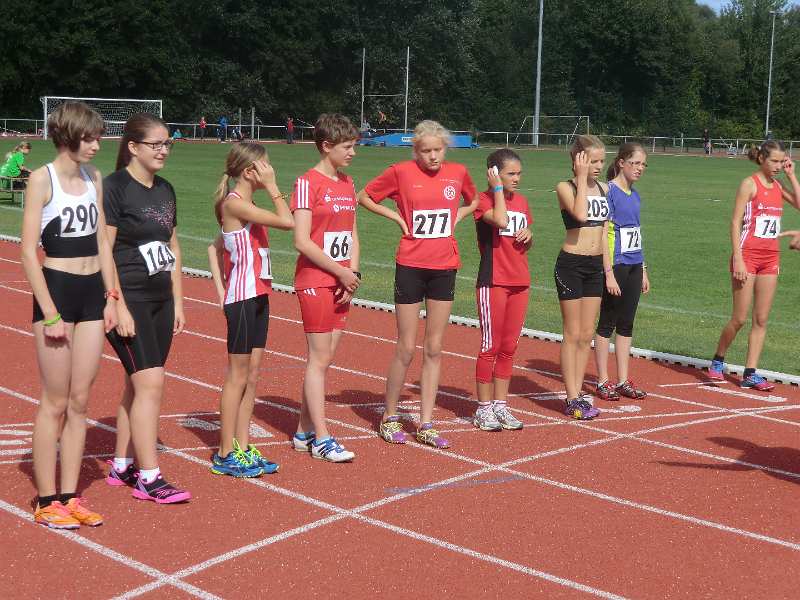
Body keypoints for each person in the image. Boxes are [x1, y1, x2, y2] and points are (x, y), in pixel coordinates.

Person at [20, 102, 118, 528]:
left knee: (80, 401)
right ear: (68, 136)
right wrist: (50, 312)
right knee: (55, 401)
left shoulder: (94, 177)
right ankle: (46, 501)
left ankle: (70, 495)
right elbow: (28, 252)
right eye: (89, 138)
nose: (97, 145)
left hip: (92, 293)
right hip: (57, 291)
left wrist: (111, 296)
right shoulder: (41, 179)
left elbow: (102, 242)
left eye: (98, 137)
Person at [358, 120, 478, 448]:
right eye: (425, 151)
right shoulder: (400, 172)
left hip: (444, 266)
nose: (432, 156)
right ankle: (389, 416)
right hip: (411, 265)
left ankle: (426, 423)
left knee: (435, 348)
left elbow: (474, 200)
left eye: (437, 150)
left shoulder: (458, 172)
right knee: (407, 347)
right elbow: (364, 196)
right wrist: (397, 218)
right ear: (415, 150)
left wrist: (460, 214)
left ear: (446, 148)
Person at [103, 113, 191, 503]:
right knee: (151, 384)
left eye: (167, 143)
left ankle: (122, 465)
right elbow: (104, 249)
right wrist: (116, 303)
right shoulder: (115, 188)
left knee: (136, 383)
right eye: (155, 144)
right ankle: (149, 478)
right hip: (130, 297)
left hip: (161, 299)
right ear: (133, 147)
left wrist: (179, 300)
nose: (163, 150)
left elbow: (173, 246)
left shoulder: (166, 189)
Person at [207, 142, 292, 476]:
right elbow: (287, 221)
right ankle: (225, 452)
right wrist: (273, 187)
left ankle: (242, 447)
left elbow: (214, 248)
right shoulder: (234, 204)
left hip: (258, 296)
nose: (270, 170)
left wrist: (219, 289)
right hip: (242, 299)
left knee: (252, 376)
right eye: (265, 166)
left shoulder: (247, 206)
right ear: (249, 171)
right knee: (237, 376)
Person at [291, 114, 361, 462]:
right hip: (316, 280)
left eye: (354, 146)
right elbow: (302, 241)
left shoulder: (348, 183)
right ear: (326, 146)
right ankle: (322, 438)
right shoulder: (307, 183)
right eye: (347, 147)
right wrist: (339, 272)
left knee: (325, 359)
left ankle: (303, 431)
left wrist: (353, 273)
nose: (353, 152)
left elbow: (352, 233)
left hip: (342, 281)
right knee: (318, 360)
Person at [708, 140, 800, 390]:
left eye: (782, 162)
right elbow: (735, 222)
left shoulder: (778, 185)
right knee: (739, 318)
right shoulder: (750, 184)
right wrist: (737, 258)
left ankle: (750, 373)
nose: (778, 166)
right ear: (761, 159)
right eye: (774, 161)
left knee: (761, 319)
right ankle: (718, 360)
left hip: (770, 258)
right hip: (747, 256)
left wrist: (792, 176)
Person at [472, 149, 532, 431]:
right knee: (490, 346)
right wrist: (497, 188)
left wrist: (529, 235)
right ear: (494, 173)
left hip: (520, 281)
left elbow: (522, 238)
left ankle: (500, 405)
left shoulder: (522, 201)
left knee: (509, 347)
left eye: (519, 173)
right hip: (493, 281)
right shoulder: (483, 200)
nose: (517, 178)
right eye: (511, 174)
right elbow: (501, 221)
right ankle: (483, 408)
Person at [554, 135, 612, 420]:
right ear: (579, 159)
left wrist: (608, 270)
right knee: (572, 332)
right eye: (593, 161)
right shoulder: (566, 187)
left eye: (602, 161)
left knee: (587, 334)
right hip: (571, 265)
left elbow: (603, 231)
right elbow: (579, 215)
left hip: (594, 265)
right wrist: (579, 178)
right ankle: (571, 397)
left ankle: (579, 394)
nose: (599, 166)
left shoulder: (603, 188)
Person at [593, 143, 650, 401]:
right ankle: (603, 380)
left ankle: (623, 380)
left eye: (643, 164)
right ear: (621, 163)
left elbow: (636, 232)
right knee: (607, 323)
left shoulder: (635, 195)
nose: (640, 168)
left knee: (627, 324)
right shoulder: (610, 192)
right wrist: (608, 273)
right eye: (635, 163)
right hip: (615, 265)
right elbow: (602, 233)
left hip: (634, 265)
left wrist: (643, 269)